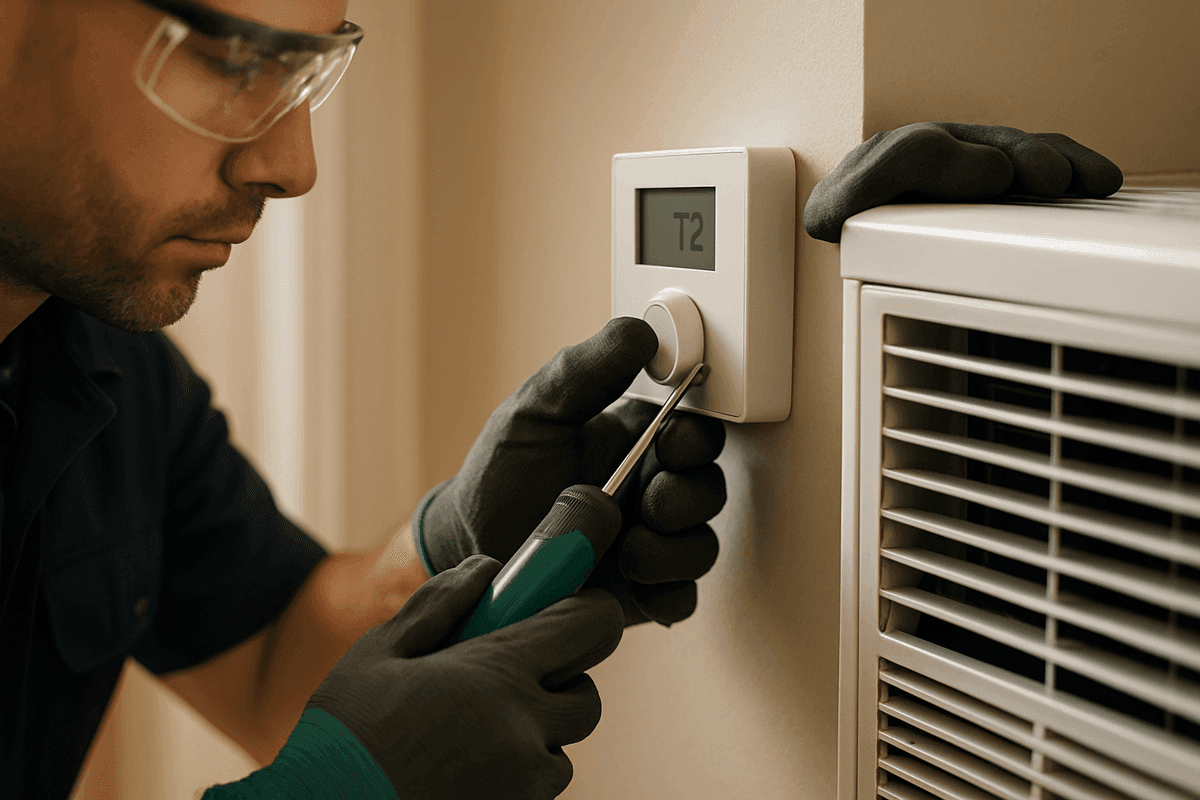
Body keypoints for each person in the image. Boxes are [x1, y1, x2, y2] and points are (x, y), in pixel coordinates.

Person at [0, 1, 1122, 798]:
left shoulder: (99, 364)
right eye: (235, 57)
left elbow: (265, 660)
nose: (294, 165)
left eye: (306, 70)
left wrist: (456, 545)